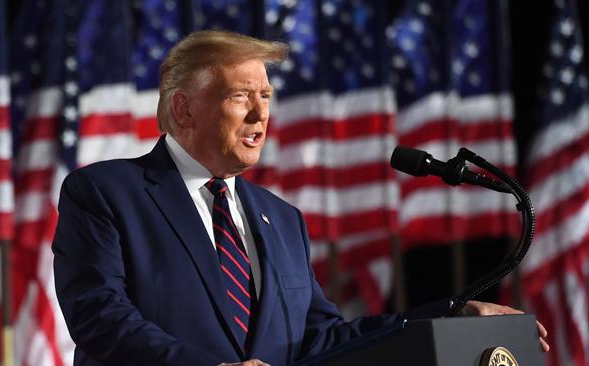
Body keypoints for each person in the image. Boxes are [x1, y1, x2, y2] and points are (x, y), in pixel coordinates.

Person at [52, 30, 548, 366]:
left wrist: (450, 315)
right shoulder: (106, 193)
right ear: (183, 110)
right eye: (240, 96)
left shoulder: (281, 219)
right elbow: (100, 317)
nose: (259, 115)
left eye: (265, 96)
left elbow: (323, 340)